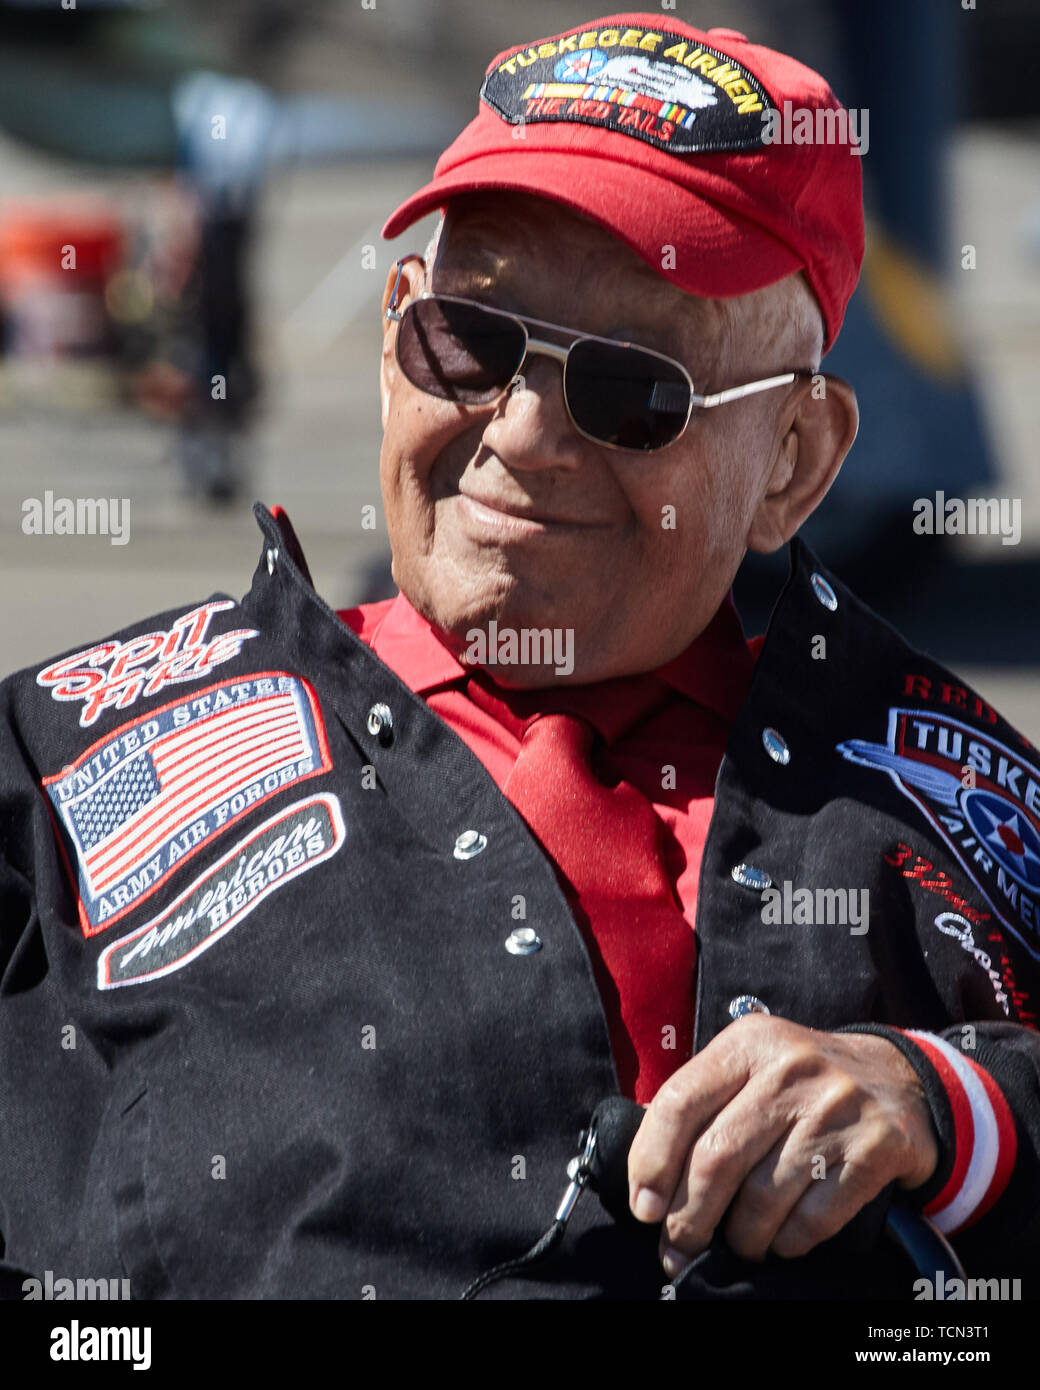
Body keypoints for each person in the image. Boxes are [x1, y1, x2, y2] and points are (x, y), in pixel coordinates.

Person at [1, 15, 1036, 1301]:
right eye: (470, 344)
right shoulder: (64, 756)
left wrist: (955, 1109)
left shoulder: (946, 791)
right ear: (394, 341)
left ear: (794, 461)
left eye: (632, 390)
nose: (526, 435)